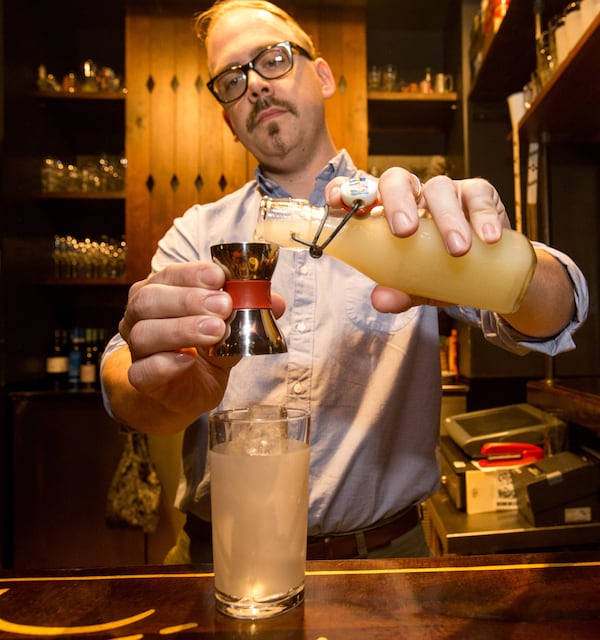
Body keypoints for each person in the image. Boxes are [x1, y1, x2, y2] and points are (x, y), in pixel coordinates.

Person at [101, 0, 588, 562]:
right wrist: (167, 386)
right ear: (227, 120)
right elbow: (122, 382)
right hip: (221, 561)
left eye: (273, 59)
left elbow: (561, 307)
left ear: (323, 76)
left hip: (387, 567)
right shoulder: (197, 232)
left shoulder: (405, 213)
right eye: (231, 80)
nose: (255, 85)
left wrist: (499, 263)